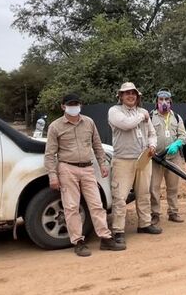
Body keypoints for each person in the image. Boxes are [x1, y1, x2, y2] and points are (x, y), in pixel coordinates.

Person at [44, 93, 125, 256]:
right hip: (67, 169)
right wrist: (52, 175)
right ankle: (78, 242)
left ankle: (105, 237)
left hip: (87, 168)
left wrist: (103, 164)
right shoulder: (55, 126)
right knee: (71, 206)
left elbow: (97, 145)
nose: (74, 107)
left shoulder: (89, 122)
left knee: (96, 204)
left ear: (80, 105)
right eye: (70, 104)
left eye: (76, 104)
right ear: (63, 106)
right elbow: (50, 153)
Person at [108, 82, 161, 247]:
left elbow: (152, 133)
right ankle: (118, 230)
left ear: (137, 96)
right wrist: (142, 116)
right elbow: (126, 124)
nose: (131, 96)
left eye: (133, 93)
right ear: (121, 96)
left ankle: (144, 224)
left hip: (143, 158)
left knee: (144, 193)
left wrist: (152, 145)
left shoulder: (143, 112)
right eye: (127, 93)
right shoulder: (115, 111)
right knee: (120, 197)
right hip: (123, 160)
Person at [149, 89, 186, 223]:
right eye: (161, 100)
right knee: (154, 187)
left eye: (167, 100)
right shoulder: (150, 117)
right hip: (155, 159)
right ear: (156, 101)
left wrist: (177, 144)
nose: (164, 102)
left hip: (173, 158)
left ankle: (173, 212)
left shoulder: (176, 117)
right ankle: (155, 214)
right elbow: (146, 135)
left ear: (170, 101)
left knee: (173, 187)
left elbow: (183, 136)